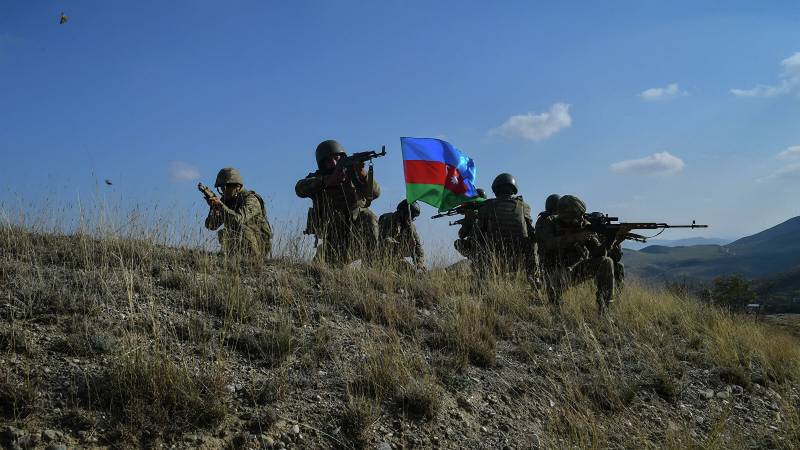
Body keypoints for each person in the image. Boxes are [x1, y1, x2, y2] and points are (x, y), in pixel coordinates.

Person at [295, 140, 381, 266]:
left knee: (370, 217)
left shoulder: (353, 176)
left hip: (356, 238)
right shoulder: (318, 178)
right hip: (333, 240)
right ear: (322, 164)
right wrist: (327, 181)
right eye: (329, 161)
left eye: (337, 158)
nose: (334, 163)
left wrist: (363, 175)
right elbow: (299, 189)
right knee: (323, 271)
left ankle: (370, 269)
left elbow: (376, 193)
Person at [535, 195, 615, 313]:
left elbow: (599, 252)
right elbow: (548, 244)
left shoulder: (584, 225)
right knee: (555, 308)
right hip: (553, 272)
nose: (582, 218)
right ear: (567, 215)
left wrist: (611, 238)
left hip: (576, 270)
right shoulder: (549, 222)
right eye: (578, 215)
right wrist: (575, 238)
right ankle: (554, 301)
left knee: (606, 262)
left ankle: (604, 309)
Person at [473, 173, 539, 286]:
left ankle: (481, 281)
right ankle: (533, 278)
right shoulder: (524, 206)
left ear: (496, 190)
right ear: (513, 189)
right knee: (533, 243)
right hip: (520, 258)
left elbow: (478, 234)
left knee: (476, 241)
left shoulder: (486, 207)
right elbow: (531, 232)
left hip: (494, 258)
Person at [204, 167, 272, 258]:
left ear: (238, 186)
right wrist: (214, 208)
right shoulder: (226, 200)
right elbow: (211, 226)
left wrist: (221, 206)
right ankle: (232, 257)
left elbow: (237, 220)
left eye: (227, 186)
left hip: (259, 245)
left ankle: (251, 259)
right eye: (222, 187)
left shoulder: (251, 200)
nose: (224, 190)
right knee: (224, 232)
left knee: (240, 228)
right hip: (238, 248)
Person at [378, 200, 425, 271]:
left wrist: (419, 262)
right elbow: (384, 241)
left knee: (412, 272)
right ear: (402, 212)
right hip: (380, 257)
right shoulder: (386, 219)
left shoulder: (411, 227)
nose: (411, 219)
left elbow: (418, 246)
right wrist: (404, 246)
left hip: (398, 258)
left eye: (413, 217)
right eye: (410, 216)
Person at [453, 188, 486, 260]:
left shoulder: (472, 215)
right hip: (491, 244)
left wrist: (467, 219)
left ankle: (474, 259)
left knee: (458, 243)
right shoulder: (489, 210)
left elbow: (462, 234)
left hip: (479, 246)